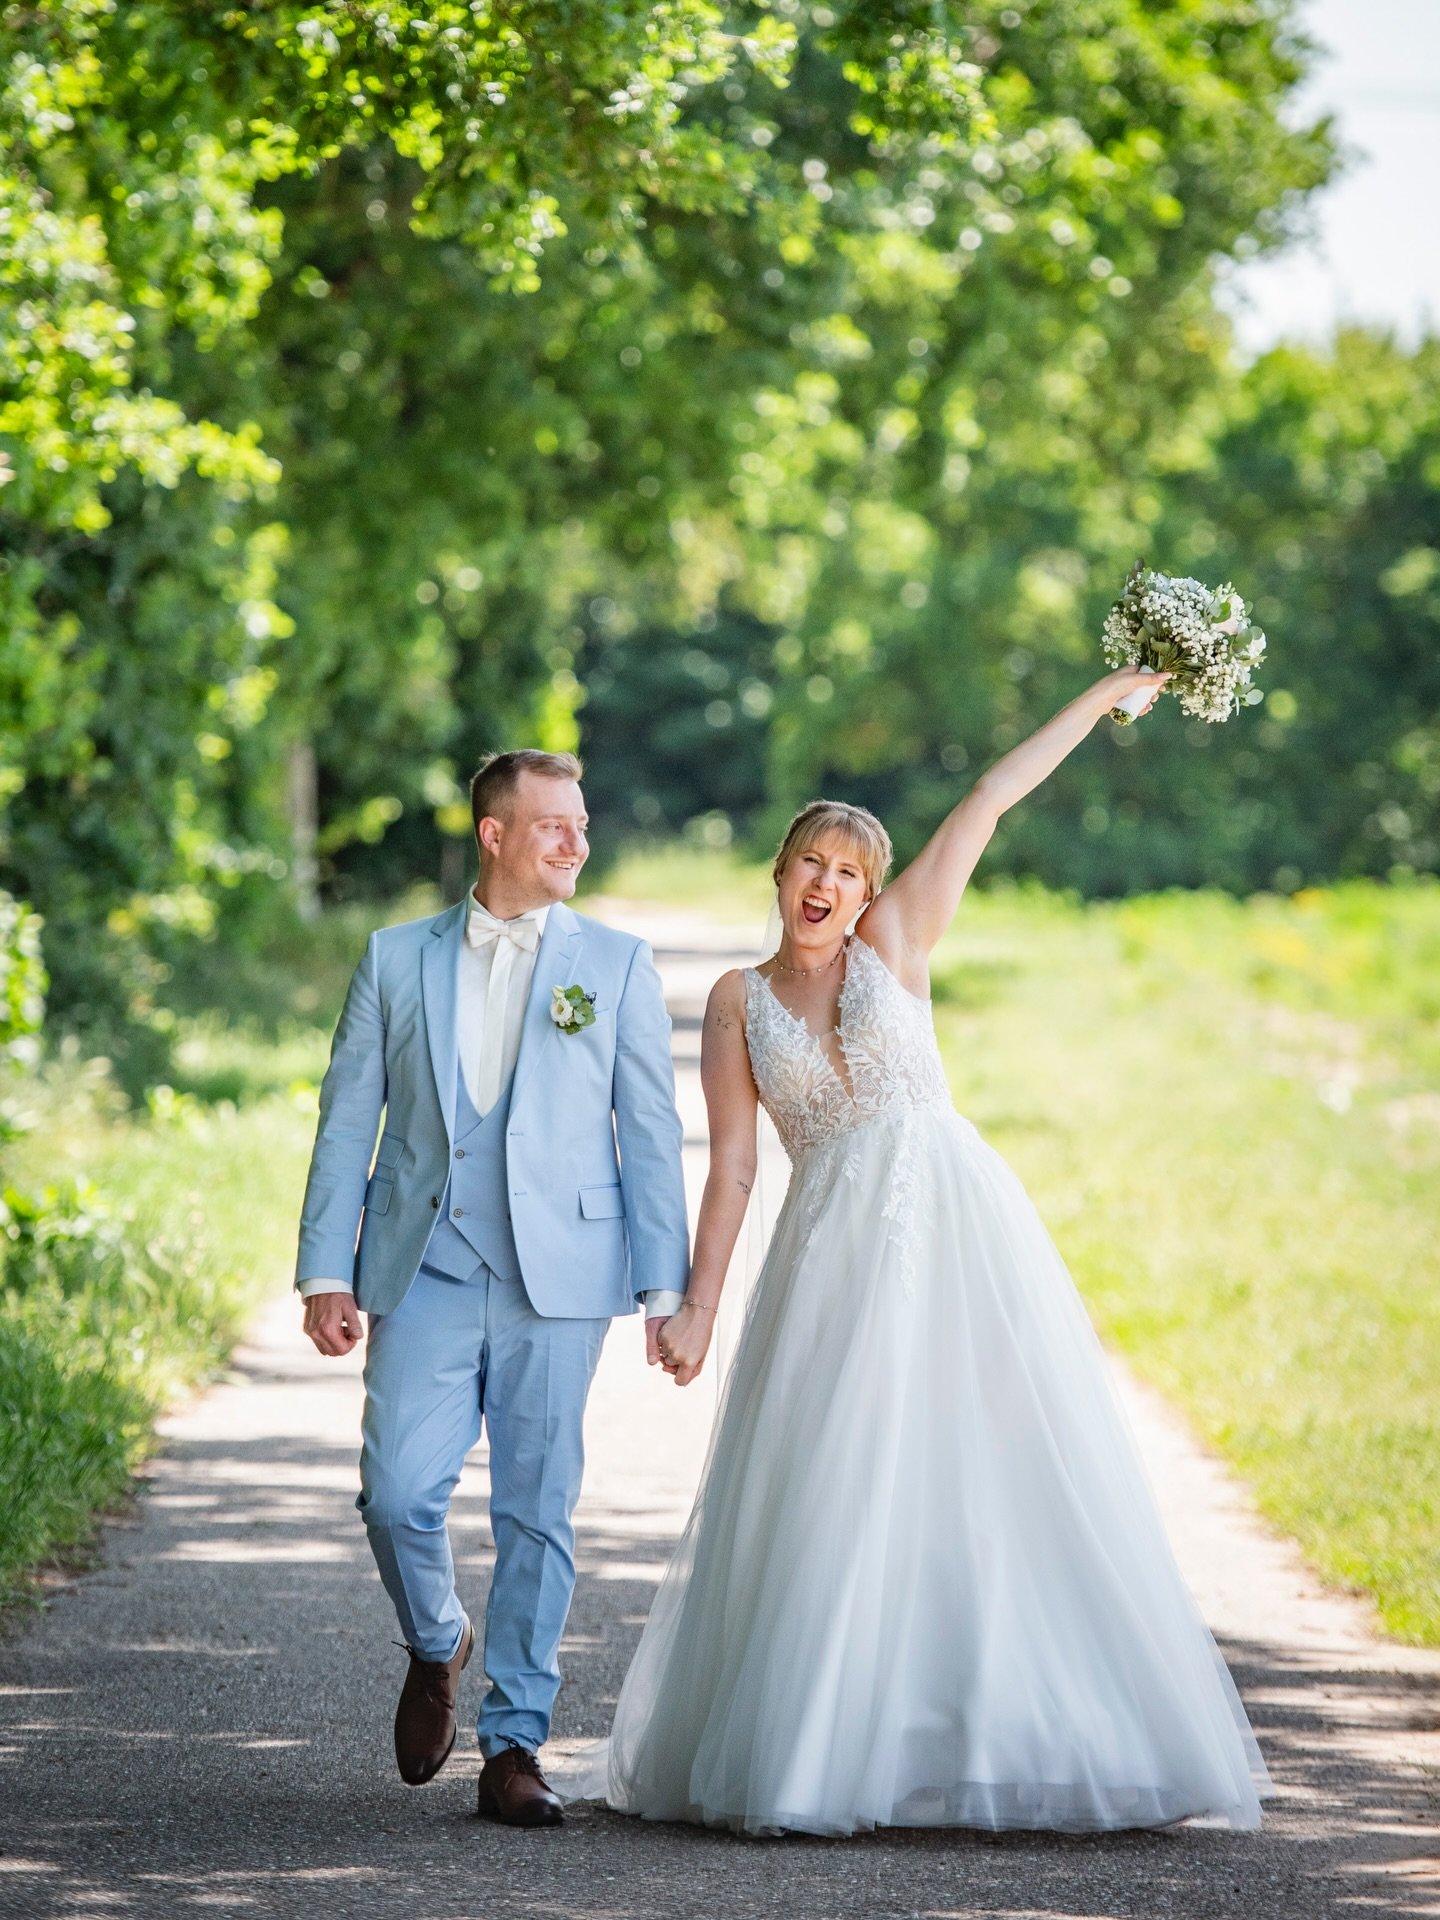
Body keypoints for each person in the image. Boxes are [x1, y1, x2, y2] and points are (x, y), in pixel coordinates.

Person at [611, 666, 1273, 1835]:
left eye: (851, 871)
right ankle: (825, 1749)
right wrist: (699, 1310)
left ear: (871, 892)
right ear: (779, 872)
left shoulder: (898, 940)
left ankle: (1002, 1730)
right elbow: (733, 1167)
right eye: (813, 862)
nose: (829, 885)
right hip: (829, 1256)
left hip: (956, 1232)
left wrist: (1110, 694)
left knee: (984, 1467)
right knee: (840, 1484)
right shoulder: (733, 1001)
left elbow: (992, 792)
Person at [295, 749, 689, 1828]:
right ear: (495, 835)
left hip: (559, 1276)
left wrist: (671, 1290)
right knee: (393, 1493)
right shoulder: (392, 958)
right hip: (420, 1264)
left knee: (538, 1511)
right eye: (553, 823)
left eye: (583, 821)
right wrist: (328, 1268)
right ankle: (436, 1640)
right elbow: (347, 1124)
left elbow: (650, 1133)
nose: (576, 840)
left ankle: (515, 1742)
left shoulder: (612, 964)